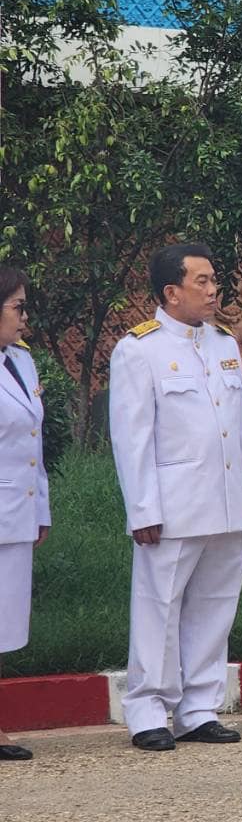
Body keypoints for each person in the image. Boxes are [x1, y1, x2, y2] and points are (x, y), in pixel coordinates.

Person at [109, 244, 242, 751]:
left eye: (214, 279)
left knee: (215, 606)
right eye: (202, 281)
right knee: (159, 607)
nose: (213, 289)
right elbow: (132, 438)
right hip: (173, 505)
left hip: (227, 499)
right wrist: (143, 509)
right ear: (171, 292)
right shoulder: (140, 349)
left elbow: (241, 427)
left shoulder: (222, 343)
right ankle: (148, 710)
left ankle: (199, 708)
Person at [0, 269, 49, 761]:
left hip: (15, 509)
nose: (25, 316)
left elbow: (34, 442)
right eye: (17, 306)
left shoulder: (20, 361)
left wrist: (41, 508)